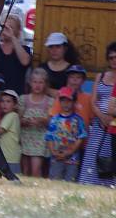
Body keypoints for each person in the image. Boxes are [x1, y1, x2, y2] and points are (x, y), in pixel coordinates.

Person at [79, 42, 116, 187]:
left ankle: (108, 185)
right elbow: (93, 101)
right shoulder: (100, 76)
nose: (114, 60)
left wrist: (111, 117)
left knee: (109, 156)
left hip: (113, 126)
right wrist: (101, 116)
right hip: (99, 125)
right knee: (93, 153)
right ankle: (88, 182)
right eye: (111, 57)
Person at [46, 86, 87, 182]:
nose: (66, 104)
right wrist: (53, 152)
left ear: (74, 102)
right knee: (55, 180)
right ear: (59, 102)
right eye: (63, 101)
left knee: (70, 181)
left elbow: (80, 137)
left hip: (72, 158)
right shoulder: (55, 119)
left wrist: (70, 151)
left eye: (69, 101)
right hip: (56, 156)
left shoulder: (78, 119)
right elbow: (49, 136)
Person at [19, 68, 52, 178]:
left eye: (41, 82)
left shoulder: (49, 101)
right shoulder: (23, 99)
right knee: (25, 170)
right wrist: (26, 121)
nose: (37, 85)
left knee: (35, 170)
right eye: (35, 82)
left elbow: (50, 121)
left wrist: (41, 120)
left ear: (45, 84)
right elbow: (18, 119)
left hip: (40, 141)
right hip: (25, 138)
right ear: (30, 83)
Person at [0, 12, 31, 95]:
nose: (7, 29)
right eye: (5, 27)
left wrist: (12, 37)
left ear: (18, 31)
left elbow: (25, 61)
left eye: (11, 27)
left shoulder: (24, 49)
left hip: (16, 96)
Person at [0, 89, 22, 175]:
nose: (4, 104)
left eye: (8, 101)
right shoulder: (9, 116)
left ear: (15, 105)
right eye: (2, 101)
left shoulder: (11, 115)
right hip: (9, 156)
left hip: (9, 157)